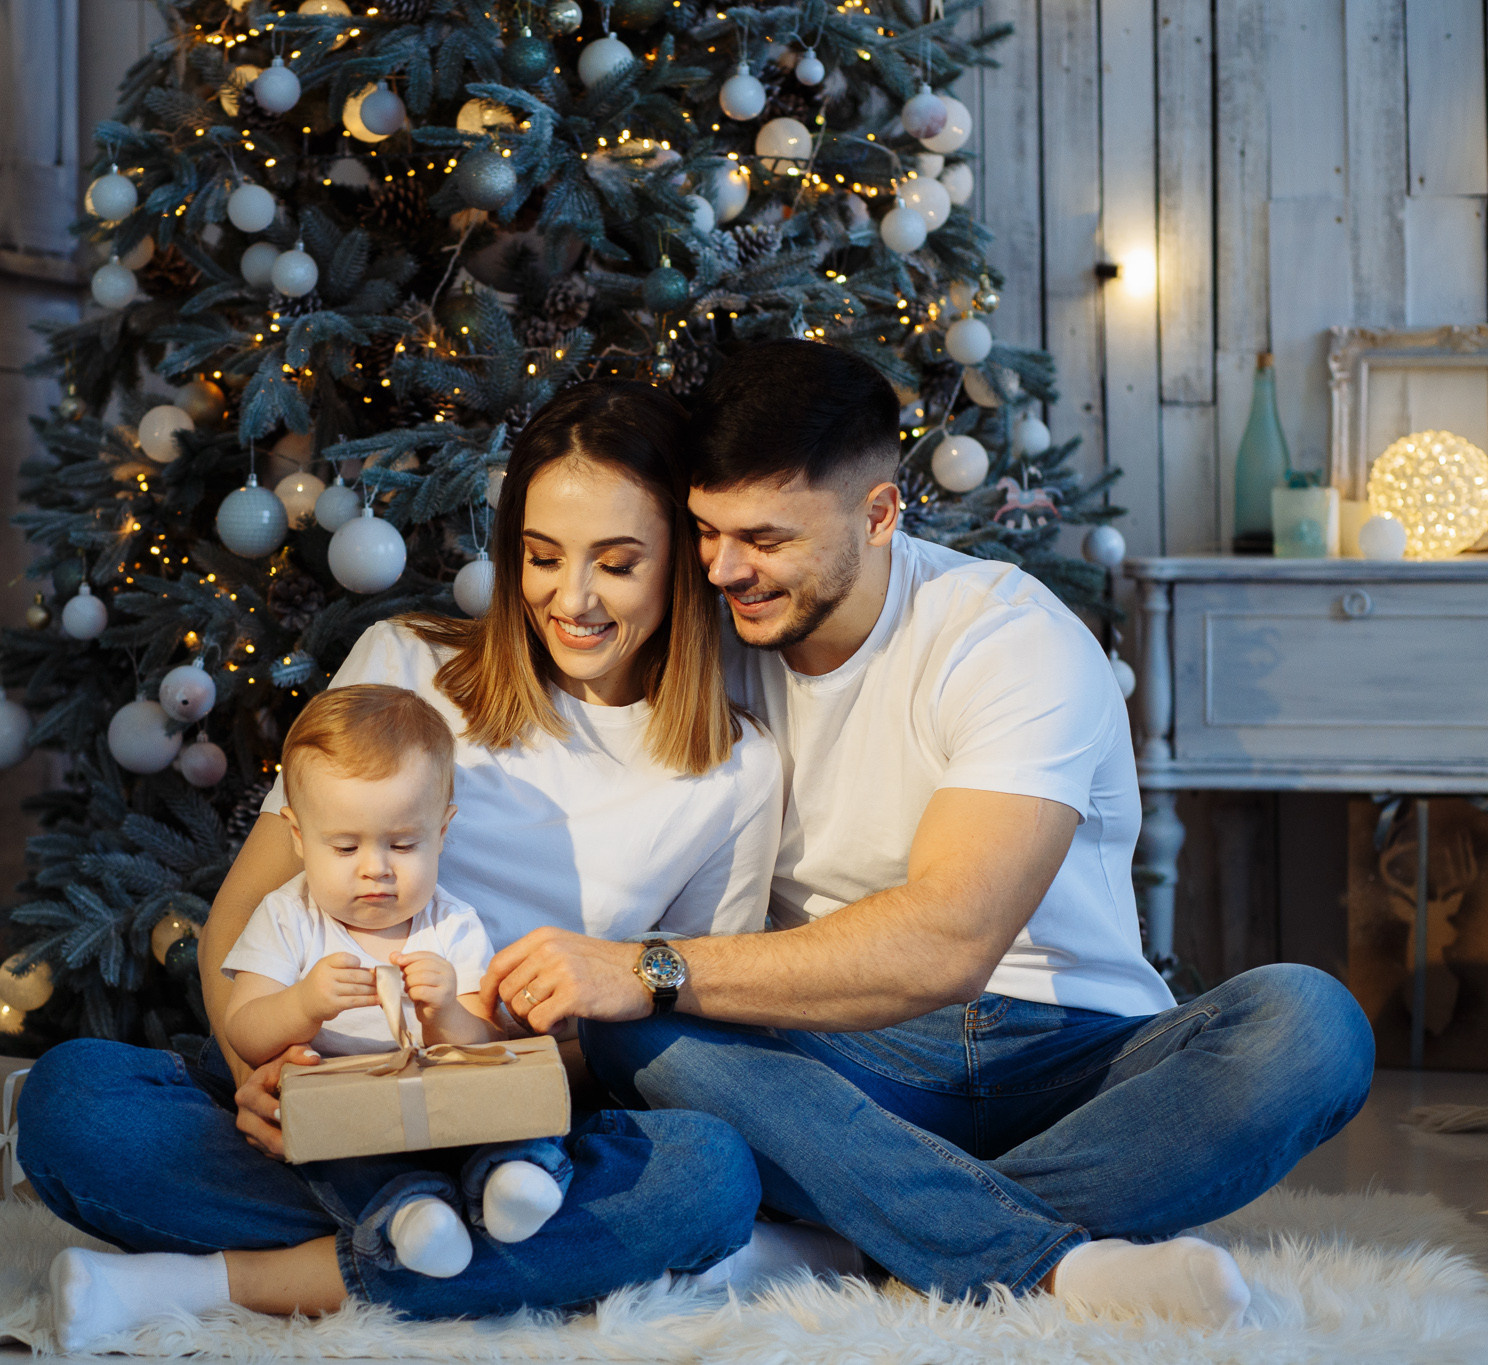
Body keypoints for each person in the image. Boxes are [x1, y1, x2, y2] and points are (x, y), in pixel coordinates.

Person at [484, 341, 1376, 1328]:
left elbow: (947, 943)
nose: (725, 569)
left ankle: (853, 1235)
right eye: (705, 531)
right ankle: (1023, 1257)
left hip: (1074, 1060)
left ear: (877, 514)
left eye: (766, 538)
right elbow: (522, 706)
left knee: (1308, 1025)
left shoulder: (1003, 639)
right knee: (636, 1038)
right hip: (838, 1076)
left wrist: (648, 965)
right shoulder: (711, 642)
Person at [16, 380, 785, 1343]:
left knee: (708, 1174)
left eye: (618, 564)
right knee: (72, 1102)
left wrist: (486, 1086)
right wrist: (273, 1067)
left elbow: (678, 1026)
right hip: (323, 1087)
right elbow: (237, 926)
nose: (572, 599)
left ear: (680, 561)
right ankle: (462, 1247)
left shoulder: (736, 768)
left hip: (524, 1128)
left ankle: (230, 1281)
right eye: (543, 558)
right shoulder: (404, 665)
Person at [218, 683, 575, 1281]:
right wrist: (303, 1004)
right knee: (335, 1157)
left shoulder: (450, 920)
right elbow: (245, 1032)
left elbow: (480, 1043)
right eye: (345, 845)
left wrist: (445, 1013)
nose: (375, 868)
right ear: (299, 836)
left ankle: (514, 1179)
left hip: (444, 1101)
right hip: (348, 1112)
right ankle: (411, 1219)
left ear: (442, 831)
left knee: (511, 1116)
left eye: (403, 844)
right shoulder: (288, 916)